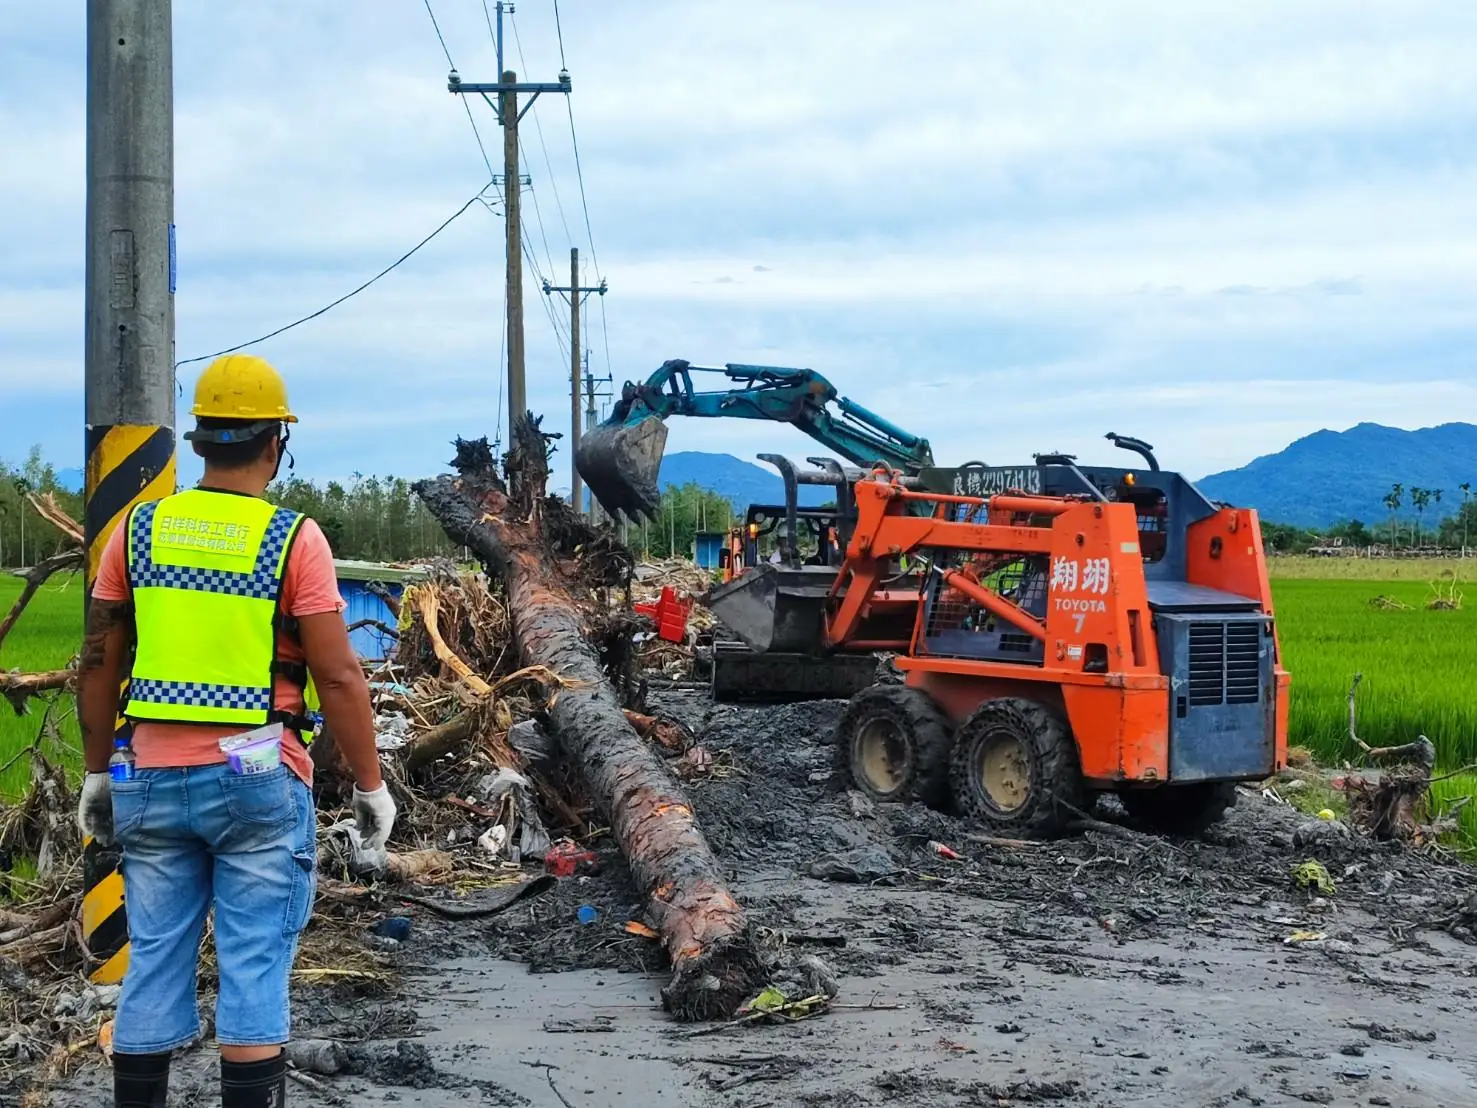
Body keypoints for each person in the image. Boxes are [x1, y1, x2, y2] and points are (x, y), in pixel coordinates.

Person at [75, 353, 396, 1108]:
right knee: (253, 963)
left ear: (200, 444)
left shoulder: (138, 529)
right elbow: (341, 676)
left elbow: (97, 662)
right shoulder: (292, 540)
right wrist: (371, 785)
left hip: (146, 776)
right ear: (275, 444)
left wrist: (97, 771)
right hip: (255, 777)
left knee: (152, 959)